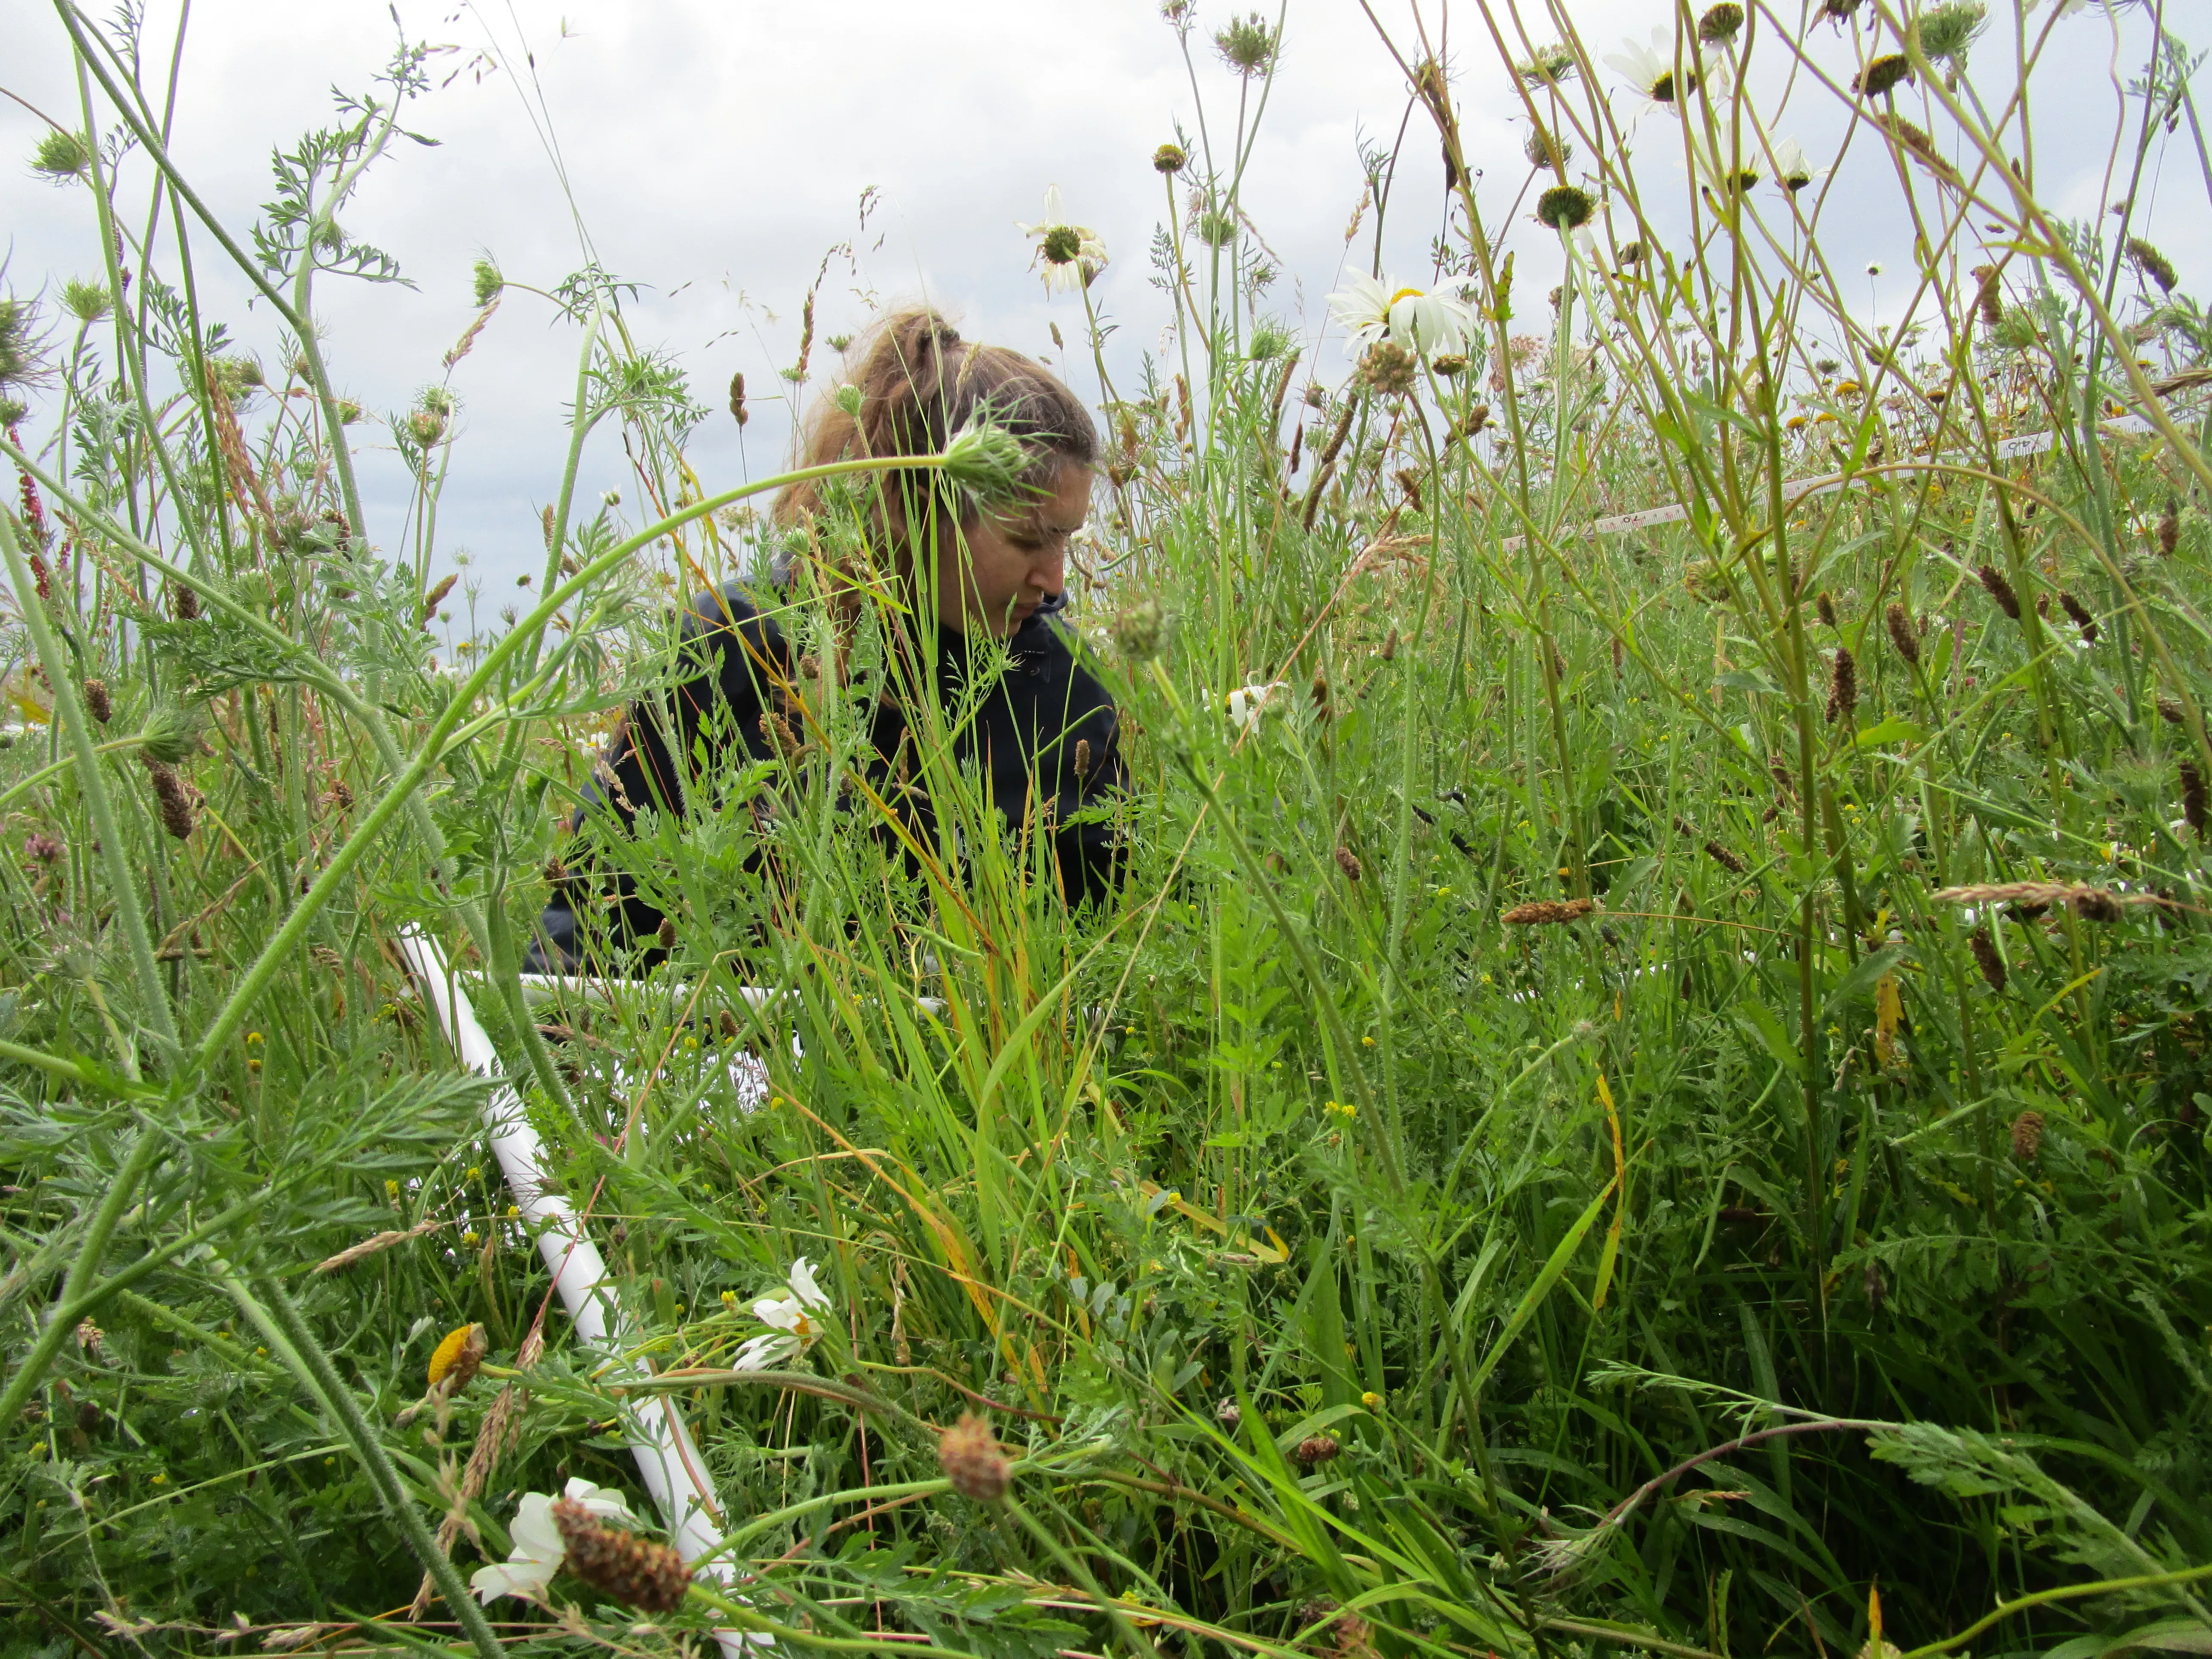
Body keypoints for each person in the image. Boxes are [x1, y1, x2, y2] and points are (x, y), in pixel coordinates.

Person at [529, 308, 1126, 973]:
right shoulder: (733, 648)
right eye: (1030, 539)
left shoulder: (1064, 684)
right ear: (912, 503)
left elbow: (1117, 948)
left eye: (1066, 538)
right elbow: (581, 937)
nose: (1054, 580)